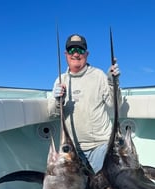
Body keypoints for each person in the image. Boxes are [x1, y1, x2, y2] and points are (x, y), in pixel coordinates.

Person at [48, 33, 122, 173]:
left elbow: (115, 104)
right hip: (71, 150)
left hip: (100, 146)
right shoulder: (60, 80)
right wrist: (58, 101)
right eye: (71, 50)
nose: (76, 54)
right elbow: (52, 113)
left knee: (108, 187)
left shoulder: (99, 75)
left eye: (80, 50)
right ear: (65, 54)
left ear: (86, 54)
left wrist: (113, 83)